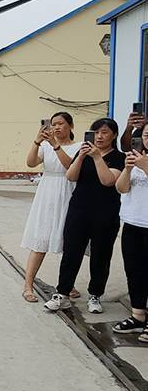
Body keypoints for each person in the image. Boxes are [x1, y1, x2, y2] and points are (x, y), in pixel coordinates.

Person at [44, 118, 125, 313]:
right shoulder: (83, 154)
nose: (99, 136)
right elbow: (71, 176)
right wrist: (81, 157)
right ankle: (62, 293)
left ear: (114, 135)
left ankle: (95, 295)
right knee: (72, 252)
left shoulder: (119, 158)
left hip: (106, 212)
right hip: (79, 209)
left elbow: (108, 181)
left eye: (104, 132)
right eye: (95, 132)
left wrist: (97, 157)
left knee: (100, 254)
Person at [20, 113, 81, 302]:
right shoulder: (45, 146)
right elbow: (30, 162)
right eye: (53, 124)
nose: (56, 127)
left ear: (70, 125)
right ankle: (28, 285)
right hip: (47, 193)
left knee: (68, 242)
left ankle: (66, 284)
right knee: (41, 239)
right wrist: (37, 141)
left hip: (69, 190)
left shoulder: (79, 147)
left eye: (61, 124)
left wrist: (56, 145)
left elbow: (70, 167)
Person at [112, 121, 148, 339]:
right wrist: (128, 168)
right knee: (134, 271)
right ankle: (138, 316)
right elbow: (121, 188)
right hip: (133, 223)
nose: (147, 138)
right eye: (146, 134)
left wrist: (144, 166)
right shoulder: (136, 159)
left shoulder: (143, 162)